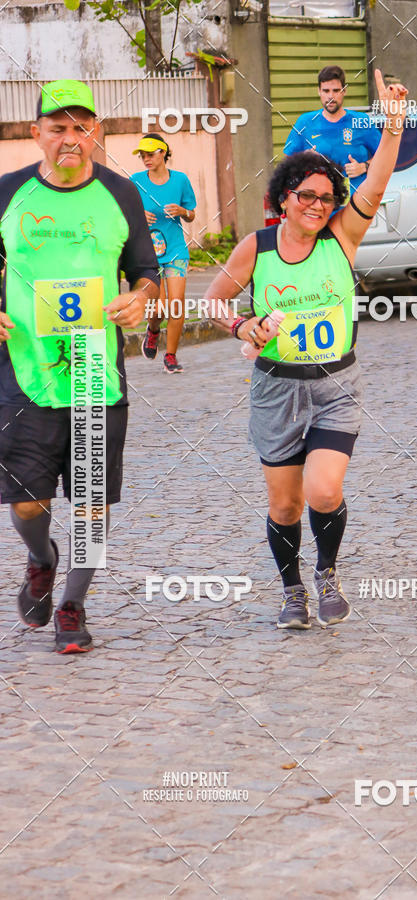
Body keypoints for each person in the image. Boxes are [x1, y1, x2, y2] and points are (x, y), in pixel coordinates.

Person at [206, 69, 407, 629]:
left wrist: (391, 130)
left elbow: (376, 184)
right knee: (285, 505)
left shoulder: (343, 235)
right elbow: (212, 303)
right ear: (284, 198)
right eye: (307, 196)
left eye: (327, 197)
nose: (319, 205)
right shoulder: (257, 247)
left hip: (336, 384)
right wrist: (243, 326)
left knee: (324, 489)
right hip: (275, 389)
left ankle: (326, 573)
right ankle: (292, 590)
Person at [0, 79, 159, 652]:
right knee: (26, 503)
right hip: (23, 374)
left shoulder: (120, 193)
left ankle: (72, 604)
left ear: (99, 133)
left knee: (92, 503)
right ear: (37, 132)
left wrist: (140, 296)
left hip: (95, 373)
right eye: (59, 127)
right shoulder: (7, 192)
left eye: (83, 127)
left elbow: (146, 269)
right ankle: (41, 559)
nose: (71, 137)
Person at [131, 134, 196, 374]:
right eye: (143, 155)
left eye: (150, 154)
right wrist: (137, 216)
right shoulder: (135, 181)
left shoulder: (180, 180)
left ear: (163, 153)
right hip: (148, 253)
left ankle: (171, 356)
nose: (146, 159)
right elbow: (124, 215)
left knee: (176, 305)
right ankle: (153, 330)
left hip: (176, 251)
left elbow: (191, 214)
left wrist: (182, 211)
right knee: (158, 309)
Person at [284, 64, 381, 196]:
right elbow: (287, 164)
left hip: (356, 207)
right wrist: (303, 159)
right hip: (318, 207)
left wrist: (364, 166)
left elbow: (384, 156)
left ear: (344, 91)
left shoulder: (361, 121)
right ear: (319, 91)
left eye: (336, 91)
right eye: (326, 91)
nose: (331, 96)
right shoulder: (305, 122)